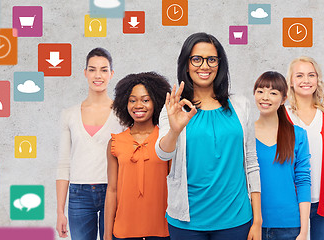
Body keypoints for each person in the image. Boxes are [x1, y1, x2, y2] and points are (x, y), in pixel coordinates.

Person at [155, 32, 262, 240]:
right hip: (187, 222)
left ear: (219, 65)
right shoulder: (175, 108)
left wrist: (257, 220)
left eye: (211, 59)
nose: (204, 66)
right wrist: (175, 129)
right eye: (197, 59)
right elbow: (162, 155)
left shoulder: (240, 106)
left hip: (236, 219)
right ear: (186, 64)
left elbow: (251, 163)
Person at [56, 48, 123, 240]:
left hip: (113, 190)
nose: (98, 75)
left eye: (104, 70)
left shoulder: (122, 113)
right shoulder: (69, 114)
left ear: (111, 74)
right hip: (79, 194)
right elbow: (63, 164)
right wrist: (60, 211)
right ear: (85, 73)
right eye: (92, 69)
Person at [285, 56, 324, 240]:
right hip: (292, 203)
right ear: (291, 82)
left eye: (311, 75)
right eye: (300, 75)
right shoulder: (282, 116)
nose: (306, 80)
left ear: (317, 80)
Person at [103, 72, 171, 240]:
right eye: (132, 100)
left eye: (145, 100)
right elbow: (111, 190)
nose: (138, 105)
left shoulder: (167, 140)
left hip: (163, 231)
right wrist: (106, 234)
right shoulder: (115, 142)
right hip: (124, 231)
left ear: (156, 102)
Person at [253, 71, 311, 240]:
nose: (265, 97)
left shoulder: (298, 135)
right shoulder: (244, 134)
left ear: (283, 99)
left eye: (273, 93)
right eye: (260, 91)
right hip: (253, 223)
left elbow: (303, 181)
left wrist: (304, 230)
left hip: (289, 226)